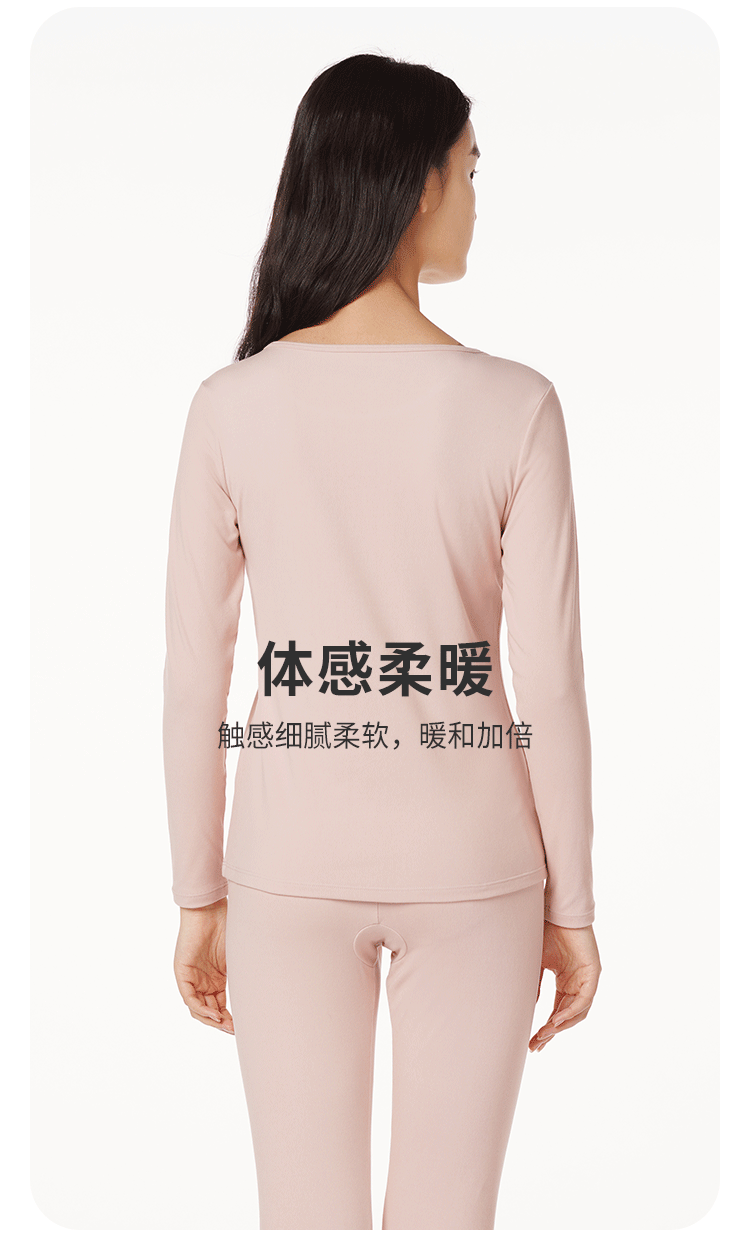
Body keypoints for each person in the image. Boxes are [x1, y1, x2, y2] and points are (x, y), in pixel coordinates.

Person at [163, 52, 602, 1230]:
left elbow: (196, 674)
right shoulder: (516, 405)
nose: (476, 198)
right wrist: (572, 904)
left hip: (286, 866)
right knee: (449, 1221)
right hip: (476, 867)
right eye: (471, 170)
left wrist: (198, 891)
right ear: (418, 185)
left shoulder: (230, 404)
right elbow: (550, 682)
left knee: (301, 1217)